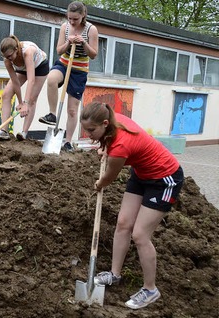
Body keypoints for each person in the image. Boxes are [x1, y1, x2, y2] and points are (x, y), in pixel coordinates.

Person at [80, 102, 184, 309]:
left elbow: (109, 177)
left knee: (140, 235)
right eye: (86, 130)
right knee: (123, 223)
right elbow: (110, 146)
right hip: (142, 173)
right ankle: (114, 274)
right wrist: (105, 148)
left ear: (105, 123)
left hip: (165, 179)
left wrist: (99, 183)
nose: (88, 135)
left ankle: (150, 289)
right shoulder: (111, 121)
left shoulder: (120, 145)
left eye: (92, 131)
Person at [39, 1, 98, 151]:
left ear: (83, 15)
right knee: (51, 79)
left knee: (72, 110)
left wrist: (83, 42)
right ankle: (52, 114)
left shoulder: (91, 30)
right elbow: (59, 50)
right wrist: (68, 42)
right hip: (64, 64)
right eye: (70, 18)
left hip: (79, 71)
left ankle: (68, 142)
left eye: (75, 19)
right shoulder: (65, 27)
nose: (72, 21)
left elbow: (93, 54)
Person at [0, 35, 49, 141]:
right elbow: (15, 82)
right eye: (6, 57)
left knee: (32, 100)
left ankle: (24, 132)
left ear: (16, 49)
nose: (8, 59)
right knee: (6, 94)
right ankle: (4, 131)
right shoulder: (7, 60)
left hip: (40, 67)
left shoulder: (27, 52)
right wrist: (21, 103)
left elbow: (31, 80)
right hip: (22, 69)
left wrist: (26, 103)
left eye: (10, 56)